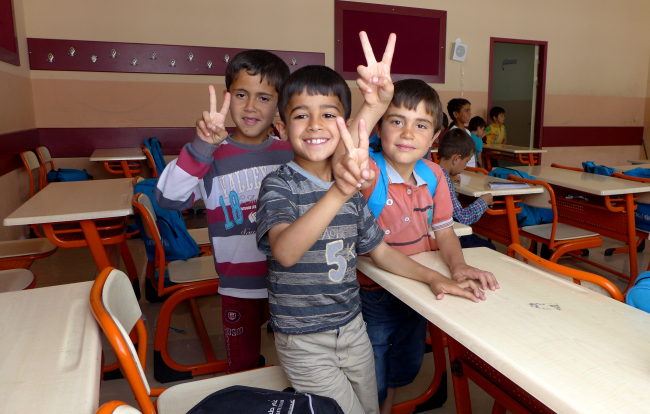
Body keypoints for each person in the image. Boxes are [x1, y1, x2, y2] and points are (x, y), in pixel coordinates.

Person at [256, 35, 487, 414]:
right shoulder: (281, 184)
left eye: (329, 115)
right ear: (281, 126)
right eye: (301, 115)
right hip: (304, 338)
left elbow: (379, 250)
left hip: (351, 328)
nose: (315, 124)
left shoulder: (350, 187)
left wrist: (434, 277)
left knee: (371, 405)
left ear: (344, 125)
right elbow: (285, 251)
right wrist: (339, 191)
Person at [335, 37, 498, 414]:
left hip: (420, 287)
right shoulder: (369, 171)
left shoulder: (436, 175)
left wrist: (457, 265)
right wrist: (372, 105)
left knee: (402, 364)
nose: (408, 133)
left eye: (420, 125)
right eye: (397, 121)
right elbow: (341, 158)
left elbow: (444, 231)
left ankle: (387, 407)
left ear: (435, 136)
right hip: (373, 291)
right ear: (379, 129)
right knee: (370, 366)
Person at [155, 50, 293, 374]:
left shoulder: (290, 153)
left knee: (297, 362)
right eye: (242, 94)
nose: (250, 106)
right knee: (242, 365)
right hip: (238, 288)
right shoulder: (211, 154)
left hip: (288, 283)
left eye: (264, 97)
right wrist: (203, 146)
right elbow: (167, 199)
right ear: (228, 96)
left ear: (279, 105)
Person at [437, 129, 497, 250]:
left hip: (435, 233)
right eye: (465, 161)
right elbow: (462, 218)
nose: (465, 166)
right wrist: (483, 202)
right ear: (456, 159)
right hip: (445, 238)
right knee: (490, 248)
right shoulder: (444, 180)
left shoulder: (434, 172)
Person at [447, 98, 476, 167]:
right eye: (466, 111)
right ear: (456, 114)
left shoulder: (467, 131)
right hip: (463, 170)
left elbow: (472, 154)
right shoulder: (454, 133)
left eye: (470, 110)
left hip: (472, 169)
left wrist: (476, 168)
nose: (470, 114)